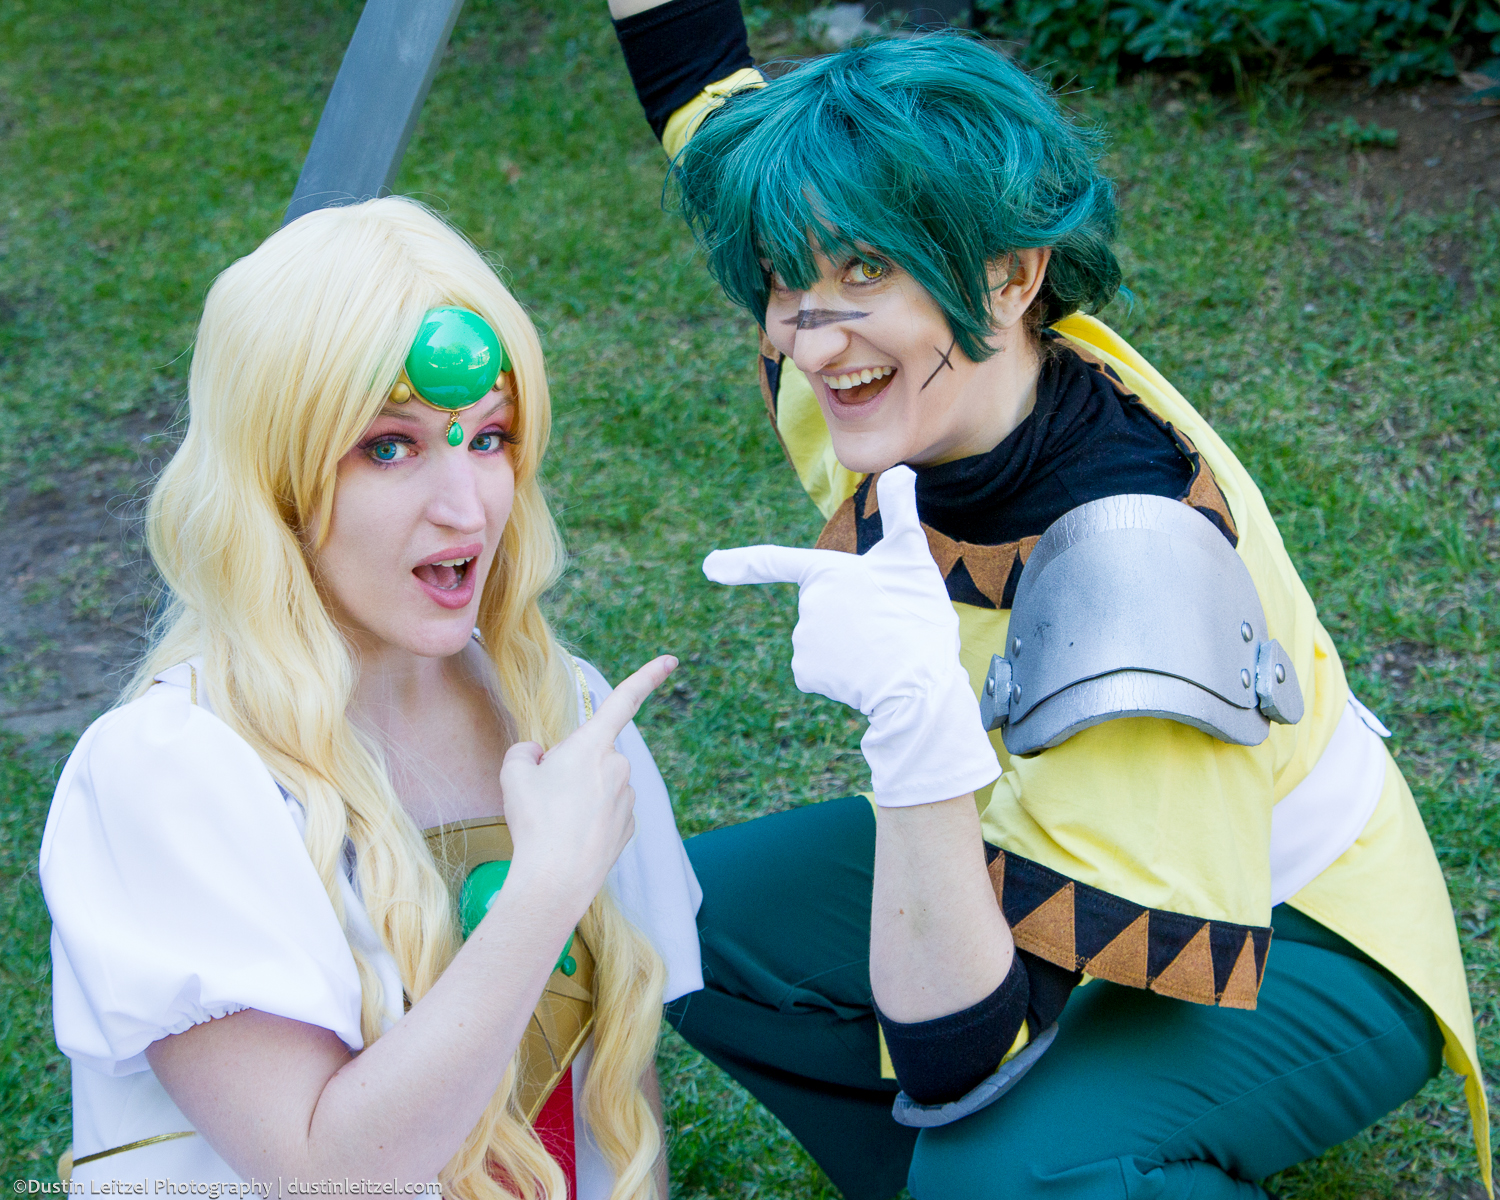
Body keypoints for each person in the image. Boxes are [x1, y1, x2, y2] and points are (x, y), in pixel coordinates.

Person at [605, 9, 1490, 1199]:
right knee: (671, 911)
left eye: (865, 270)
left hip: (1298, 932)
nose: (809, 338)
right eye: (784, 278)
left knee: (990, 1162)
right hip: (1047, 838)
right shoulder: (902, 376)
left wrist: (914, 724)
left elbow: (960, 1056)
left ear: (1015, 276)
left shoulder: (1130, 576)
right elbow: (703, 94)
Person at [40, 196, 702, 1200]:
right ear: (274, 478)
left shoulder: (564, 710)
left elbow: (618, 1110)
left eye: (490, 438)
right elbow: (325, 1177)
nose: (465, 507)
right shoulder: (169, 775)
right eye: (389, 447)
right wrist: (542, 894)